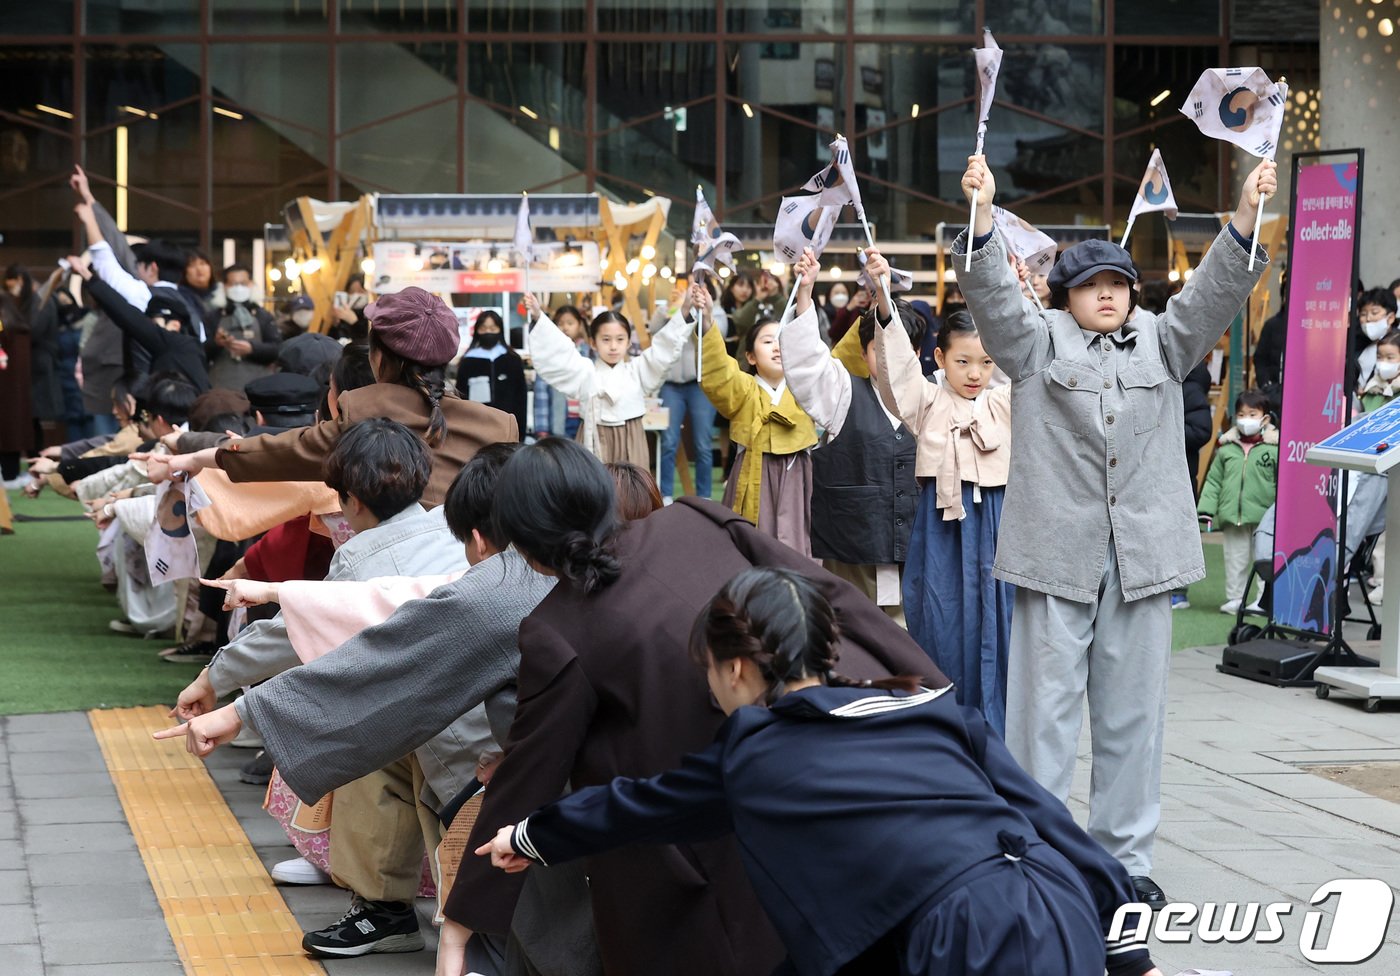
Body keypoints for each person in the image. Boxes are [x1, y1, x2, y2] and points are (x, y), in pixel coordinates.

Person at [478, 566, 1163, 976]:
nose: (712, 691)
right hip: (1057, 911)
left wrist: (529, 835)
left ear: (738, 668)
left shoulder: (754, 746)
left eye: (708, 672)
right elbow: (1059, 830)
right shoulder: (929, 709)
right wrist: (1132, 956)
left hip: (965, 935)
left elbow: (641, 804)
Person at [422, 438, 942, 976]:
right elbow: (829, 593)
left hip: (730, 810)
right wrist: (922, 685)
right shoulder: (697, 516)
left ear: (525, 546)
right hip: (853, 728)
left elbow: (529, 775)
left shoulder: (557, 629)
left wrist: (459, 926)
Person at [954, 151, 1276, 908]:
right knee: (1043, 721)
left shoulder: (1166, 343)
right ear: (1066, 296)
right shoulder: (1034, 348)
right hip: (1052, 557)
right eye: (1092, 285)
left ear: (1134, 295)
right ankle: (1037, 853)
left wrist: (1242, 212)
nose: (1107, 295)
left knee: (1134, 718)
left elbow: (1215, 294)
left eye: (1119, 285)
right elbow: (994, 295)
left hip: (1143, 559)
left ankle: (1126, 864)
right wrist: (979, 214)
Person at [140, 286, 518, 507]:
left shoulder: (364, 411)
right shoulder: (499, 425)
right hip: (480, 584)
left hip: (389, 584)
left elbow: (275, 451)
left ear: (377, 356)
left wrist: (189, 456)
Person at [866, 253, 1015, 734]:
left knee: (1000, 621)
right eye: (963, 361)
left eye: (986, 361)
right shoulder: (926, 401)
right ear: (940, 358)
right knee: (940, 618)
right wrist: (884, 298)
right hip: (940, 526)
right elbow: (899, 373)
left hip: (997, 524)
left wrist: (1010, 283)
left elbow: (1028, 357)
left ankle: (998, 728)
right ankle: (942, 725)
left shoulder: (1006, 400)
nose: (975, 372)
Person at [779, 247, 922, 626]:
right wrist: (806, 292)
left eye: (900, 348)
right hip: (850, 546)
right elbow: (808, 365)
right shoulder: (843, 391)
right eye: (879, 349)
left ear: (919, 353)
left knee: (914, 634)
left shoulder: (934, 397)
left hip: (919, 548)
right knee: (849, 631)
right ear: (863, 351)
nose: (889, 359)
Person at [699, 289, 817, 556]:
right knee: (751, 545)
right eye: (767, 342)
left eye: (782, 341)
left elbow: (842, 358)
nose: (777, 347)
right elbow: (719, 370)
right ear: (750, 357)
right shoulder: (743, 388)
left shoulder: (806, 387)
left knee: (799, 542)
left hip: (797, 473)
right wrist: (706, 318)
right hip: (753, 471)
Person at [526, 290, 692, 467]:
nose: (613, 346)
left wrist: (685, 309)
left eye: (620, 339)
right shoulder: (585, 371)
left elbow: (663, 348)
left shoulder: (637, 370)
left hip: (631, 435)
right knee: (593, 489)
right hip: (592, 435)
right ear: (593, 342)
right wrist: (538, 315)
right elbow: (559, 351)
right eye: (606, 339)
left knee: (631, 489)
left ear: (628, 342)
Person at [67, 256, 210, 392]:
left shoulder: (171, 343)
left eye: (154, 323)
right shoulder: (191, 348)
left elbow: (125, 314)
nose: (148, 328)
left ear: (175, 325)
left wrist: (87, 275)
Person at [1197, 389, 1277, 615]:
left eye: (1253, 414)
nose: (1246, 419)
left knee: (1264, 558)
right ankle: (1235, 598)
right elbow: (1213, 481)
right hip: (1234, 516)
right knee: (1235, 557)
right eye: (1242, 414)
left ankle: (1264, 599)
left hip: (1266, 517)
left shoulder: (1274, 449)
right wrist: (1206, 510)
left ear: (1265, 418)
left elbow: (1283, 482)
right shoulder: (1226, 449)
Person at [656, 282, 725, 504]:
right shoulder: (672, 306)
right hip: (670, 384)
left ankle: (704, 497)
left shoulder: (715, 308)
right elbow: (653, 328)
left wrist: (705, 311)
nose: (692, 290)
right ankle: (665, 495)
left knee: (703, 443)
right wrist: (673, 306)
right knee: (668, 441)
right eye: (688, 285)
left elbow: (719, 331)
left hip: (700, 385)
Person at [207, 263, 281, 392]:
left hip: (258, 388)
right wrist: (216, 343)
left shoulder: (263, 315)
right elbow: (200, 351)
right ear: (224, 286)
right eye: (233, 284)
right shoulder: (213, 316)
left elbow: (277, 349)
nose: (238, 288)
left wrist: (252, 348)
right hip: (220, 388)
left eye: (243, 283)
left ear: (251, 284)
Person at [455, 310, 527, 439]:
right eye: (484, 328)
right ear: (477, 331)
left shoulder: (512, 359)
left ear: (500, 330)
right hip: (477, 426)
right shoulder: (468, 361)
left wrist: (520, 432)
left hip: (507, 426)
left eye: (493, 328)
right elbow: (461, 398)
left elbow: (521, 398)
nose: (488, 332)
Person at [531, 304, 588, 441]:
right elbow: (541, 395)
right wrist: (542, 429)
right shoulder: (547, 356)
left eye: (570, 323)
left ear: (579, 325)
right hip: (559, 421)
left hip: (585, 419)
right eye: (560, 323)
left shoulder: (589, 353)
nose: (565, 327)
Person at [1349, 287, 1397, 398]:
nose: (1368, 319)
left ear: (1391, 318)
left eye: (1374, 312)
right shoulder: (1356, 344)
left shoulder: (1397, 344)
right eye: (1363, 314)